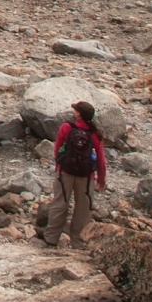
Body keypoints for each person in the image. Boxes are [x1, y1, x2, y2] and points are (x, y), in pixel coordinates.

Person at [41, 100, 107, 247]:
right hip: (86, 176)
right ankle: (78, 242)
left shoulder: (66, 128)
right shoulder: (95, 134)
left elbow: (57, 149)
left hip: (64, 173)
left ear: (79, 114)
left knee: (60, 204)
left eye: (76, 110)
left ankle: (51, 239)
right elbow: (101, 159)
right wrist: (101, 179)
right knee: (83, 209)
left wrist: (59, 166)